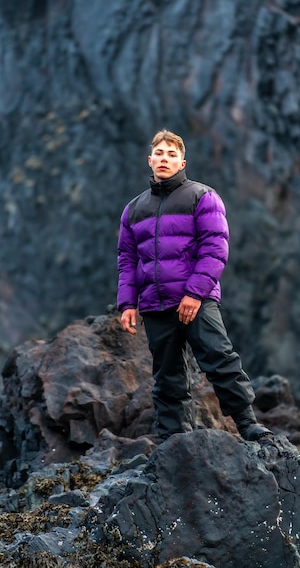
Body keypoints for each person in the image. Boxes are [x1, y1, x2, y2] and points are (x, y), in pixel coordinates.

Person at [117, 129, 272, 442]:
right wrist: (127, 304)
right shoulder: (133, 209)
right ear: (150, 160)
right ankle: (172, 439)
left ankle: (248, 425)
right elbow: (127, 260)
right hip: (155, 304)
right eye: (159, 154)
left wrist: (194, 293)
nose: (165, 159)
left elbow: (216, 248)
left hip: (197, 301)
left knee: (220, 359)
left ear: (182, 162)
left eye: (172, 154)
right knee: (166, 375)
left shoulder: (202, 196)